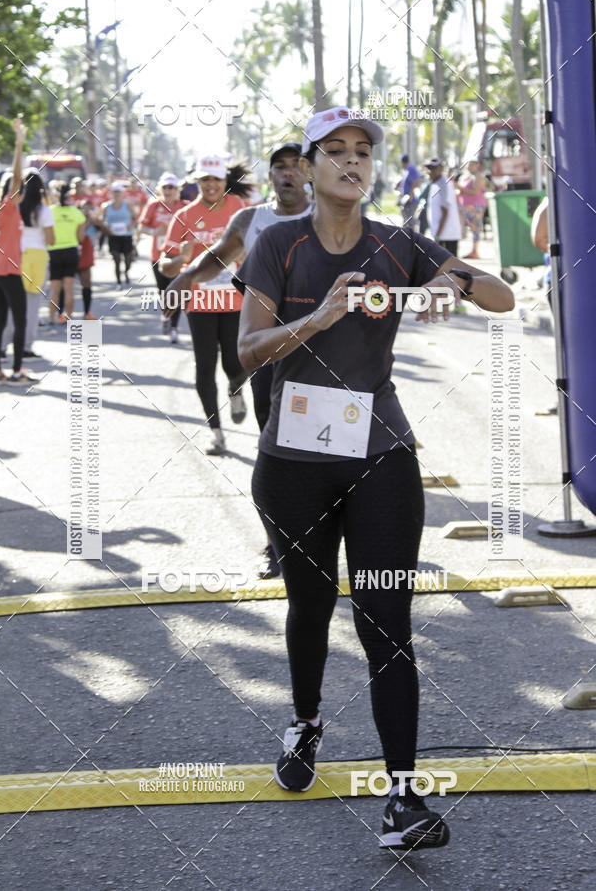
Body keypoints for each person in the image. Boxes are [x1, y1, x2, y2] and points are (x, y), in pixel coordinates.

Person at [234, 105, 514, 850]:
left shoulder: (396, 243)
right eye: (337, 151)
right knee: (310, 604)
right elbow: (248, 352)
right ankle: (305, 721)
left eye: (364, 151)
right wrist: (319, 317)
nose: (352, 162)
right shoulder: (276, 244)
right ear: (310, 165)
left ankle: (403, 800)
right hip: (292, 460)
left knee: (386, 620)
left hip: (380, 452)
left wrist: (455, 282)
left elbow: (502, 298)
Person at [164, 142, 312, 577]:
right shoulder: (251, 219)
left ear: (309, 172)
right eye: (278, 167)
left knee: (330, 449)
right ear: (269, 177)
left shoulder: (332, 214)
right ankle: (278, 543)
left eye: (296, 166)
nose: (287, 174)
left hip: (325, 354)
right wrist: (186, 278)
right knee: (274, 452)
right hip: (268, 350)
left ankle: (331, 535)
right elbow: (218, 257)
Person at [159, 155, 252, 455]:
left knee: (234, 364)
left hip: (235, 300)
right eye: (205, 180)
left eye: (216, 179)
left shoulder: (240, 209)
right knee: (205, 367)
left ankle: (235, 390)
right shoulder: (184, 216)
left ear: (225, 181)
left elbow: (261, 247)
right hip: (199, 303)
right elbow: (165, 266)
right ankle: (216, 433)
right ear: (196, 182)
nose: (211, 185)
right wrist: (180, 258)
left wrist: (246, 258)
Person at [0, 117, 37, 384]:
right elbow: (16, 179)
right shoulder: (8, 207)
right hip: (8, 272)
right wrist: (19, 144)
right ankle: (18, 371)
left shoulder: (3, 210)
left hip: (0, 272)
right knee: (19, 321)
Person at [2, 170, 54, 358]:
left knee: (9, 303)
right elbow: (51, 239)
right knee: (32, 304)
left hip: (17, 256)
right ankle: (26, 346)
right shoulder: (44, 210)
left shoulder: (13, 208)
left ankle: (2, 344)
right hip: (38, 257)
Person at [137, 172, 184, 342]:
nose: (168, 190)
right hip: (158, 256)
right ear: (160, 189)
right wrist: (153, 232)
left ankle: (174, 327)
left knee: (177, 292)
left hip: (178, 257)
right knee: (163, 291)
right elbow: (141, 227)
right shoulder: (153, 206)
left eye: (171, 187)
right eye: (165, 187)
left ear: (177, 190)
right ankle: (165, 315)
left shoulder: (184, 206)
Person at [47, 182, 86, 324]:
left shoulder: (49, 211)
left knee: (54, 289)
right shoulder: (77, 212)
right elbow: (81, 238)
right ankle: (68, 317)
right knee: (69, 288)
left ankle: (51, 319)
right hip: (71, 251)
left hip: (54, 252)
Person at [101, 181, 135, 288]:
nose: (116, 194)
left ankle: (126, 272)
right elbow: (103, 221)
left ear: (122, 193)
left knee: (128, 259)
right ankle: (119, 281)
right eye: (114, 192)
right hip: (113, 236)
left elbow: (135, 218)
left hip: (126, 235)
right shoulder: (106, 206)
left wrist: (131, 226)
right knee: (116, 259)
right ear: (111, 193)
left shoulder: (128, 205)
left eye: (118, 192)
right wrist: (107, 227)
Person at [425, 157, 462, 256]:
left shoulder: (443, 184)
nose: (431, 171)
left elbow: (445, 211)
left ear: (441, 168)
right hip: (441, 234)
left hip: (447, 234)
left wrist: (437, 236)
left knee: (451, 267)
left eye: (434, 168)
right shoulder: (435, 183)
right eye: (429, 168)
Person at [456, 159, 487, 258]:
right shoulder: (464, 177)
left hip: (476, 207)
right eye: (468, 164)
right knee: (470, 229)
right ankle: (472, 251)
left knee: (476, 229)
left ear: (476, 165)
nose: (469, 167)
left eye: (472, 165)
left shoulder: (478, 176)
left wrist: (460, 188)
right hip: (465, 207)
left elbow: (475, 192)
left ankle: (475, 251)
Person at [397, 154, 421, 230]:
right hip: (405, 199)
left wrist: (411, 196)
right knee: (405, 219)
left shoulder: (411, 168)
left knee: (410, 221)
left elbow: (417, 181)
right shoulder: (406, 170)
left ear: (402, 162)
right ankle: (405, 237)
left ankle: (412, 239)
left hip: (411, 200)